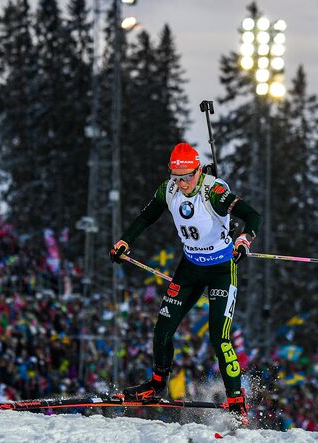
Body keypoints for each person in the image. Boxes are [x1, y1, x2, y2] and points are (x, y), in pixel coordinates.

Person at [110, 142, 261, 420]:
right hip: (190, 267)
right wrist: (125, 241)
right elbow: (147, 216)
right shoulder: (168, 190)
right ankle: (156, 385)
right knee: (163, 329)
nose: (181, 184)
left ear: (199, 171)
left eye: (187, 177)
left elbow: (252, 215)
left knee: (219, 338)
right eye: (176, 177)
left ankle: (236, 398)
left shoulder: (213, 192)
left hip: (220, 269)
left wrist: (243, 238)